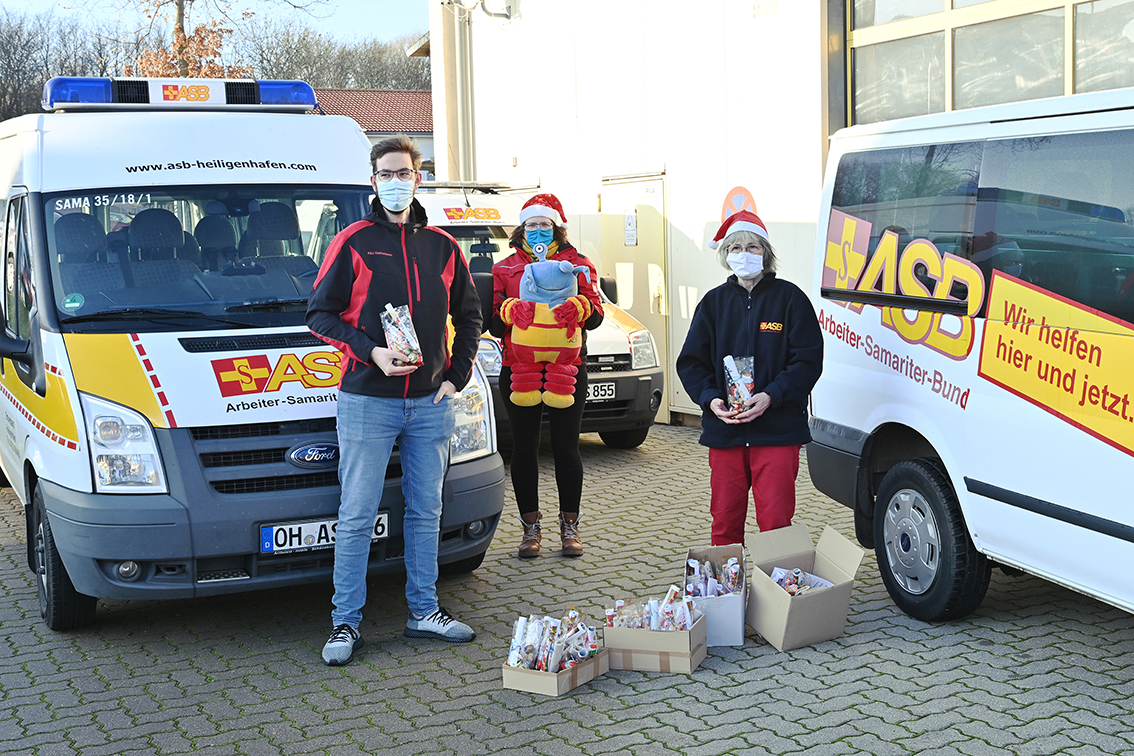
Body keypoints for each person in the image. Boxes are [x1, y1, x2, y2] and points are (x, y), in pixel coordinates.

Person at [307, 135, 483, 666]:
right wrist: (371, 352)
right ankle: (345, 622)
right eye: (386, 173)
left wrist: (455, 377)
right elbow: (319, 315)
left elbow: (470, 316)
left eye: (403, 173)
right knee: (357, 513)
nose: (395, 182)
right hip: (368, 400)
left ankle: (424, 611)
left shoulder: (443, 246)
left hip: (431, 403)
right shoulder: (354, 241)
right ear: (373, 180)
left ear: (418, 178)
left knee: (426, 509)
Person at [676, 211, 823, 545]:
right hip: (726, 432)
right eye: (736, 247)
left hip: (777, 432)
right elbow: (691, 362)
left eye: (753, 246)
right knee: (724, 522)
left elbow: (808, 360)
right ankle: (728, 581)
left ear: (765, 253)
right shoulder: (713, 304)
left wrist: (772, 395)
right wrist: (711, 399)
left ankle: (776, 581)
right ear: (726, 255)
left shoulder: (790, 299)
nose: (745, 253)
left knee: (776, 525)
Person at [489, 194, 604, 558]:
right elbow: (493, 323)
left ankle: (570, 526)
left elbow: (597, 316)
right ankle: (530, 529)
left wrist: (580, 307)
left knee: (566, 446)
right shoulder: (504, 268)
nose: (538, 230)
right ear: (521, 229)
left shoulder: (578, 264)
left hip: (567, 368)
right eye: (532, 224)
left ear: (557, 228)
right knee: (524, 448)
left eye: (545, 224)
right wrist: (510, 310)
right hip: (518, 367)